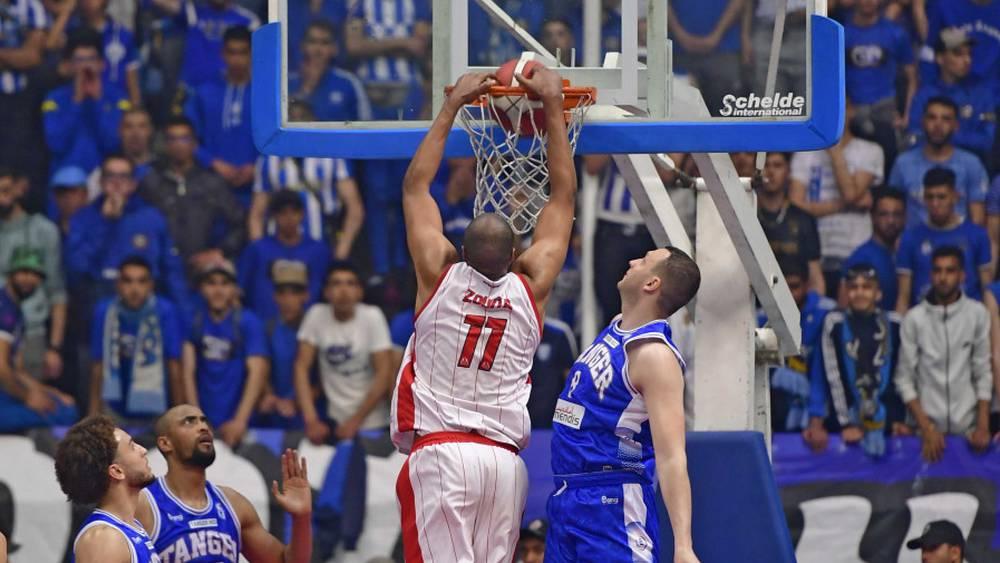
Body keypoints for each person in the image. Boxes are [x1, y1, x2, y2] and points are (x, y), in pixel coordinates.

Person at [389, 69, 576, 562]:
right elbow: (563, 199)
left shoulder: (438, 274)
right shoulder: (532, 286)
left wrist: (451, 107)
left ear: (459, 249)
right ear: (517, 252)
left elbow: (415, 188)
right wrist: (554, 108)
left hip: (443, 454)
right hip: (504, 464)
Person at [546, 247, 701, 563]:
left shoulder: (655, 356)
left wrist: (683, 545)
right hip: (568, 493)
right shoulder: (617, 327)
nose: (632, 261)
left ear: (651, 284)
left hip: (611, 499)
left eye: (643, 261)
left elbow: (671, 456)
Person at [137, 404, 312, 563]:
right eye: (189, 422)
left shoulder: (234, 505)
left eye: (204, 421)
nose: (203, 427)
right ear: (165, 443)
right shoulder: (143, 505)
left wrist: (301, 518)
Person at [896, 247, 992, 462]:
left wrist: (983, 427)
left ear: (962, 275)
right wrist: (926, 427)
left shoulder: (977, 314)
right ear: (931, 275)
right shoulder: (914, 319)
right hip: (924, 436)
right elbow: (904, 379)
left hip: (968, 433)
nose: (943, 278)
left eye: (950, 271)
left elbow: (983, 372)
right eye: (938, 271)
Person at [802, 265, 905, 457]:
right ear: (846, 292)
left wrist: (901, 419)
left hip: (889, 423)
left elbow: (902, 375)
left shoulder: (895, 324)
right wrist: (846, 423)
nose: (859, 293)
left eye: (866, 287)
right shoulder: (834, 323)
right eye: (853, 287)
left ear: (879, 293)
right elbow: (831, 376)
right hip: (845, 423)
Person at [66, 154, 189, 313]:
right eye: (111, 176)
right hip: (98, 300)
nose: (117, 183)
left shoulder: (151, 218)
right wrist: (105, 223)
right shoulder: (83, 218)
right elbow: (76, 269)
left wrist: (185, 319)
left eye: (123, 177)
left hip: (146, 301)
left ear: (133, 184)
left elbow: (172, 271)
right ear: (101, 182)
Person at [790, 99, 883, 292]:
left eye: (838, 109)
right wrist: (846, 204)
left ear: (851, 111)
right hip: (817, 252)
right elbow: (796, 206)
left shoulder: (870, 151)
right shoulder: (804, 153)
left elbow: (850, 193)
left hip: (855, 249)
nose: (831, 116)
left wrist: (834, 150)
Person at [139, 115, 246, 283]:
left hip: (200, 272)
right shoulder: (151, 182)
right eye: (172, 139)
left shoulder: (212, 182)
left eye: (184, 138)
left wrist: (221, 251)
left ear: (194, 144)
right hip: (159, 271)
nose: (178, 145)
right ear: (166, 144)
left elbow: (240, 223)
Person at [250, 101, 364, 255]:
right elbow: (257, 214)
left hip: (322, 244)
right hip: (277, 249)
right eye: (292, 119)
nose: (298, 123)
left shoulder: (332, 156)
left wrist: (341, 252)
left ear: (314, 121)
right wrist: (261, 253)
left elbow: (355, 209)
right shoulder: (269, 159)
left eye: (303, 118)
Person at [296, 262, 393, 442]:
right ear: (326, 292)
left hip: (373, 421)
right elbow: (301, 367)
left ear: (360, 292)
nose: (343, 290)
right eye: (336, 283)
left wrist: (355, 421)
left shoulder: (372, 316)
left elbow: (383, 374)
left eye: (350, 284)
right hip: (333, 422)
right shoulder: (316, 315)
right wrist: (311, 420)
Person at [183, 259, 268, 447]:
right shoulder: (194, 321)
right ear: (202, 288)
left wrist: (240, 421)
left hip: (240, 423)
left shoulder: (248, 321)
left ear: (234, 288)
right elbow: (187, 372)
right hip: (204, 419)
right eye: (211, 283)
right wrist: (197, 420)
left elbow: (257, 372)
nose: (218, 290)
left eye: (224, 283)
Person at [88, 256, 184, 422]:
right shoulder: (104, 311)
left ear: (151, 285)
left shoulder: (165, 311)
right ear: (118, 284)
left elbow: (174, 367)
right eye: (128, 281)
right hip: (114, 408)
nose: (134, 288)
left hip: (157, 410)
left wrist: (180, 418)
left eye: (141, 281)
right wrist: (92, 417)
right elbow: (98, 366)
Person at [54, 415, 158, 562]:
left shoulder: (130, 526)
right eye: (132, 446)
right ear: (117, 471)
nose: (143, 450)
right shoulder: (105, 539)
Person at [0, 168, 67, 382]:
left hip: (32, 334)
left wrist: (54, 348)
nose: (1, 198)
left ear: (20, 188)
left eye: (5, 190)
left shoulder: (43, 230)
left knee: (36, 405)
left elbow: (57, 293)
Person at [0, 249, 77, 432]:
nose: (29, 279)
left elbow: (17, 369)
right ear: (11, 273)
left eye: (35, 274)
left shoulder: (16, 310)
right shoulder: (4, 309)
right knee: (64, 413)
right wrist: (27, 397)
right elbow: (1, 367)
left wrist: (47, 391)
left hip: (5, 393)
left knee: (61, 404)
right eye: (23, 272)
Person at [895, 167, 992, 311]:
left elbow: (987, 290)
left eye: (941, 197)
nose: (935, 204)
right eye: (930, 197)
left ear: (955, 196)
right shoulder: (910, 238)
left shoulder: (977, 235)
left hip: (968, 320)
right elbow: (903, 296)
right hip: (925, 320)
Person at [889, 97, 989, 228]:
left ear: (956, 126)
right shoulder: (903, 163)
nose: (938, 125)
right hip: (915, 243)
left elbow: (978, 219)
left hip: (959, 243)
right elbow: (893, 210)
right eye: (932, 117)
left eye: (946, 119)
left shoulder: (972, 164)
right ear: (922, 122)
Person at [184, 26, 258, 205]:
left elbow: (278, 138)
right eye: (232, 53)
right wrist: (213, 163)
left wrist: (258, 167)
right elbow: (187, 137)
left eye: (243, 53)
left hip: (257, 188)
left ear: (253, 54)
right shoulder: (203, 92)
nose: (237, 60)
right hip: (210, 185)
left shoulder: (266, 94)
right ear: (223, 54)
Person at [42, 28, 129, 175]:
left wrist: (98, 102)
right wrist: (76, 101)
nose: (86, 66)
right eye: (79, 60)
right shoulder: (54, 99)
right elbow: (56, 144)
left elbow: (113, 144)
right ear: (69, 65)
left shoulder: (118, 98)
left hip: (104, 178)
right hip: (65, 178)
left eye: (91, 59)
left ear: (102, 64)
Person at [908, 28, 996, 165]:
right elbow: (913, 138)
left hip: (971, 167)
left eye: (969, 54)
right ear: (940, 58)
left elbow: (987, 141)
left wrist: (943, 137)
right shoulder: (924, 95)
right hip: (928, 167)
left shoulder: (982, 93)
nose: (967, 60)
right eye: (958, 54)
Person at [239, 190, 330, 321]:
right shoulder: (257, 250)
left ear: (302, 214)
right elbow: (241, 289)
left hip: (309, 328)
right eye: (283, 212)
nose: (289, 218)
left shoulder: (319, 251)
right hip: (264, 326)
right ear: (273, 216)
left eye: (294, 212)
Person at [756, 151, 825, 295]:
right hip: (754, 300)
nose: (771, 172)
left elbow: (815, 276)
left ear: (788, 171)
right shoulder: (747, 215)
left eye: (777, 165)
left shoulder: (804, 219)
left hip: (796, 300)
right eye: (766, 165)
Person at [256, 260, 309, 429]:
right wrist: (270, 395)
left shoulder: (315, 328)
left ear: (305, 295)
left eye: (294, 293)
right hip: (274, 414)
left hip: (308, 415)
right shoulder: (268, 328)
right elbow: (262, 367)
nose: (288, 300)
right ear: (275, 296)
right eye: (282, 293)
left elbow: (325, 377)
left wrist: (298, 401)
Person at [288, 20, 371, 123]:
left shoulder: (349, 83)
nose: (317, 49)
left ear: (334, 49)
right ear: (303, 46)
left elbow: (366, 124)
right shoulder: (287, 82)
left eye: (325, 43)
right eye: (312, 42)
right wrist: (307, 87)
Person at [841, 187, 907, 311]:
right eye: (884, 214)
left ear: (905, 217)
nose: (891, 221)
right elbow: (844, 308)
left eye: (896, 214)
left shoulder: (909, 252)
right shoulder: (861, 258)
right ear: (873, 216)